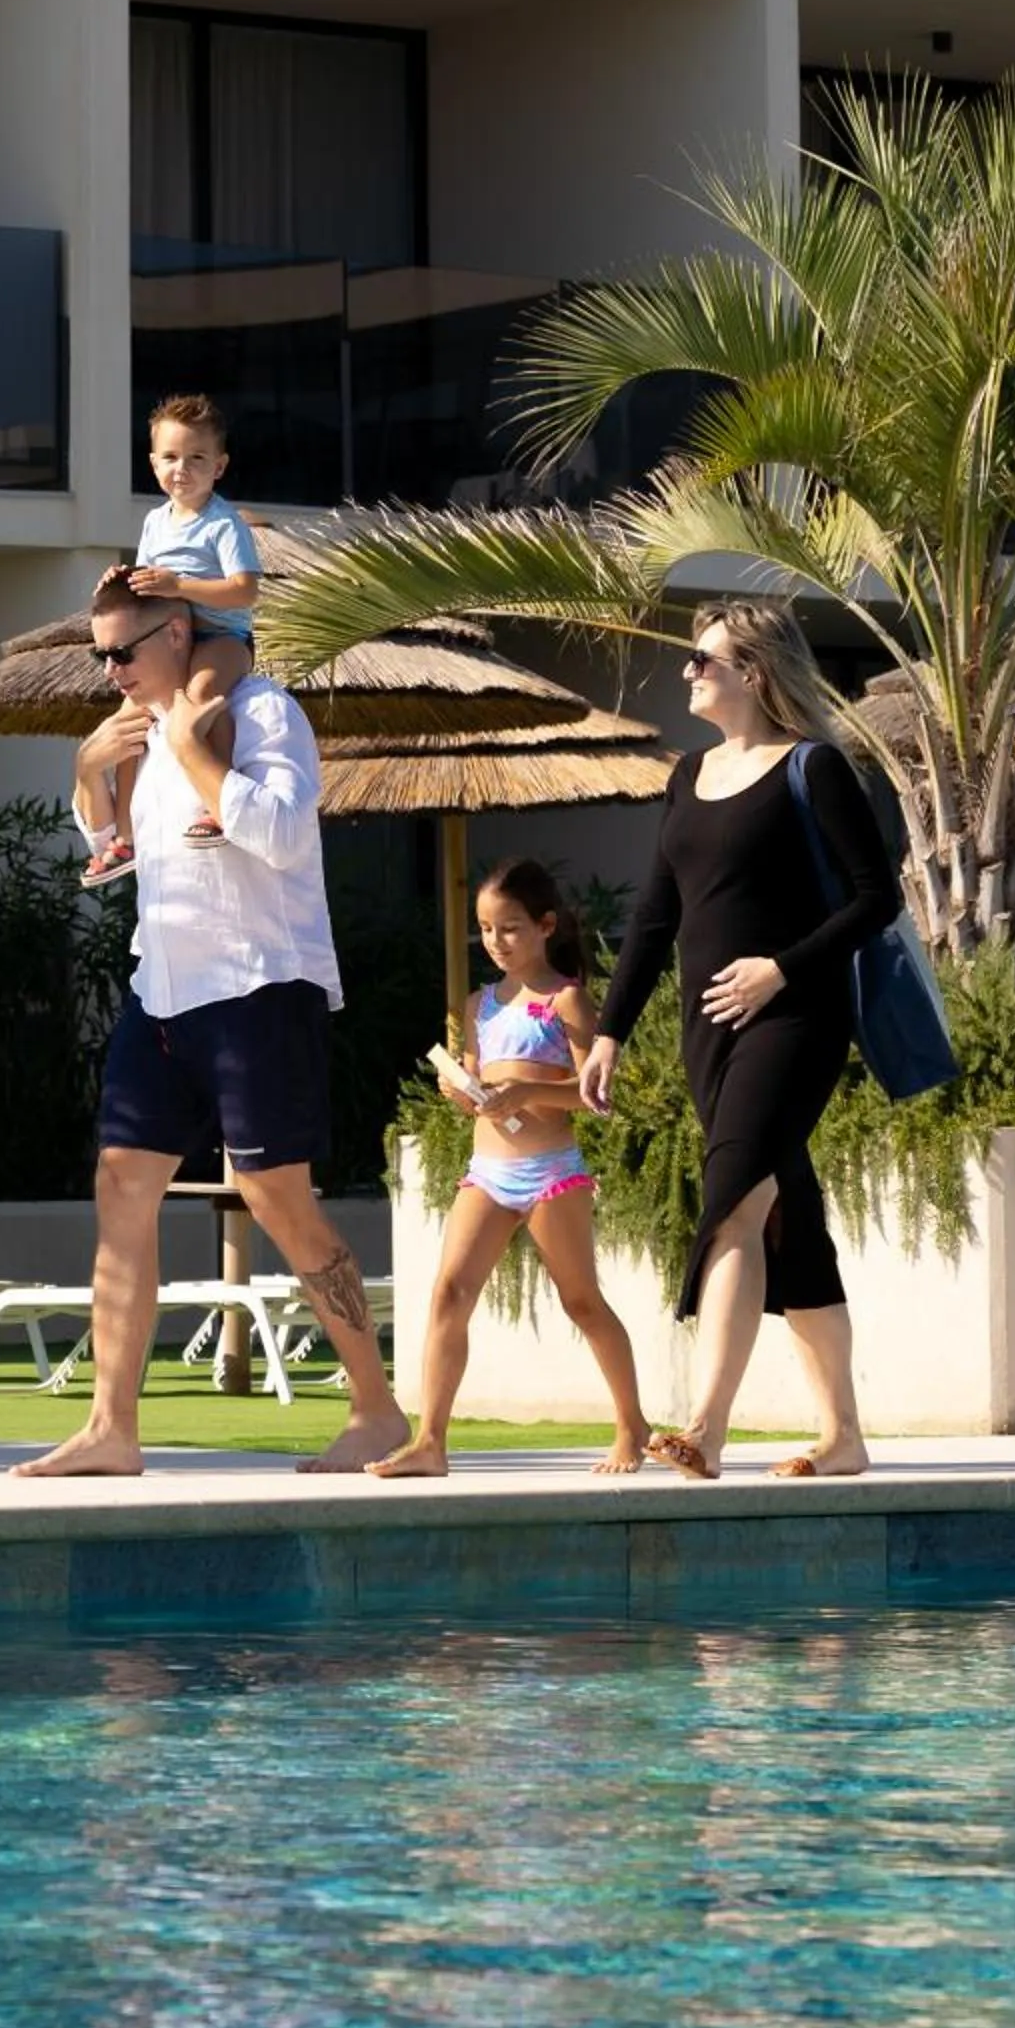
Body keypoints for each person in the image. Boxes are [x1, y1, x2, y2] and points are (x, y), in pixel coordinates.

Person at [19, 566, 409, 1479]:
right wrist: (90, 771)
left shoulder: (266, 713)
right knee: (120, 1187)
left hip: (259, 987)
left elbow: (281, 835)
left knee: (281, 1199)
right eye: (100, 655)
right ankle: (112, 1428)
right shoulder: (142, 734)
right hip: (162, 994)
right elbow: (114, 859)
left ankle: (378, 1410)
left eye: (124, 651)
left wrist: (196, 751)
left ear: (179, 636)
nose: (110, 670)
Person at [579, 599, 901, 1483]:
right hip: (705, 1030)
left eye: (703, 659)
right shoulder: (689, 774)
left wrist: (781, 971)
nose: (688, 671)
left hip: (794, 1021)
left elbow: (878, 898)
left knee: (734, 1202)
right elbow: (654, 916)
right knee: (794, 1229)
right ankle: (844, 1438)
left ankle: (707, 1428)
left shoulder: (814, 768)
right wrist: (610, 1033)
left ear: (753, 672)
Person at [371, 859, 652, 1481]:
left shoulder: (566, 999)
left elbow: (594, 1095)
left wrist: (527, 1095)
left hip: (554, 1172)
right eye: (487, 930)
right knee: (449, 1292)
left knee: (581, 1301)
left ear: (546, 925)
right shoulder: (479, 1005)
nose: (497, 942)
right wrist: (467, 1092)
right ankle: (430, 1441)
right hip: (488, 1172)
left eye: (511, 929)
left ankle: (632, 1424)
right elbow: (484, 1080)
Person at [82, 394, 261, 887]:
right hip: (171, 638)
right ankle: (125, 838)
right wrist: (122, 579)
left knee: (203, 698)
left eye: (197, 458)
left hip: (222, 635)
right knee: (128, 727)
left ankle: (217, 803)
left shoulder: (223, 523)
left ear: (219, 466)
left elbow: (245, 589)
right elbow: (146, 585)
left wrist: (179, 586)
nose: (182, 469)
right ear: (153, 462)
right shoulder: (154, 522)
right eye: (171, 457)